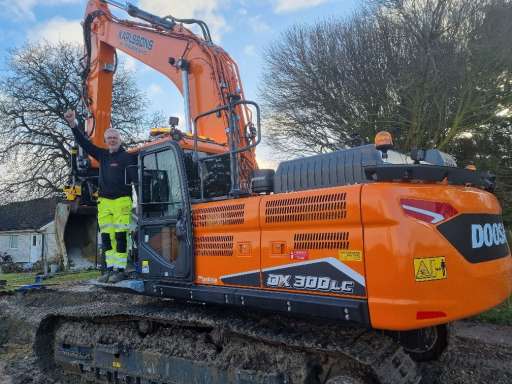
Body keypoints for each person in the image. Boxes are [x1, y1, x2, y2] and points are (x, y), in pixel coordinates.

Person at [64, 109, 137, 283]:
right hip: (104, 202)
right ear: (105, 141)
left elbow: (136, 179)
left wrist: (140, 203)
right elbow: (84, 143)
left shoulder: (127, 157)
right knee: (106, 238)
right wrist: (73, 124)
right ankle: (110, 269)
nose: (112, 140)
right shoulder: (103, 155)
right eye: (109, 138)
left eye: (115, 138)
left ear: (120, 140)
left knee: (120, 236)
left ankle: (120, 269)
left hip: (121, 202)